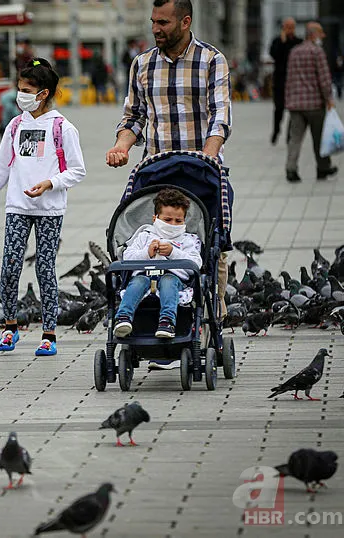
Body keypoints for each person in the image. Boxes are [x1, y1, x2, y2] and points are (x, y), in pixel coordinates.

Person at [105, 0, 232, 326]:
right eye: (153, 22)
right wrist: (121, 147)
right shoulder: (142, 64)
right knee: (147, 242)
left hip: (202, 170)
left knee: (210, 243)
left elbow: (220, 118)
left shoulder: (211, 61)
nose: (155, 29)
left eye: (163, 22)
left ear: (185, 21)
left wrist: (208, 156)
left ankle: (210, 318)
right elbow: (133, 118)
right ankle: (147, 315)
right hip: (158, 173)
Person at [0, 58, 87, 357]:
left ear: (43, 93)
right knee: (9, 267)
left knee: (46, 269)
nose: (20, 95)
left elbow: (77, 170)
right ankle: (10, 327)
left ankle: (49, 333)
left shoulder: (62, 127)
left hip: (49, 209)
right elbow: (1, 169)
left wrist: (50, 183)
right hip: (17, 207)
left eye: (26, 90)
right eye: (19, 89)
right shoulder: (15, 125)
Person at [113, 188, 202, 345]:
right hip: (144, 275)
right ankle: (123, 317)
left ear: (184, 221)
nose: (173, 225)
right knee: (137, 282)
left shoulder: (187, 240)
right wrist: (146, 253)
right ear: (155, 218)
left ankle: (167, 321)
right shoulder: (144, 236)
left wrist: (173, 252)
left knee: (168, 281)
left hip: (174, 278)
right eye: (167, 220)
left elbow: (196, 264)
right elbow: (127, 258)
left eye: (178, 221)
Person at [284, 22, 337, 183]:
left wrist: (289, 100)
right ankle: (323, 168)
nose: (323, 36)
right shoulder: (317, 52)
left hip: (296, 104)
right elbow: (324, 79)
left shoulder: (294, 52)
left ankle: (291, 169)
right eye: (321, 33)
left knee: (295, 139)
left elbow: (290, 78)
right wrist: (329, 98)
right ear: (313, 34)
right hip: (315, 104)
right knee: (319, 138)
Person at [269, 17, 302, 145]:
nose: (289, 29)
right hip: (280, 81)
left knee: (293, 111)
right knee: (279, 108)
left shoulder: (298, 42)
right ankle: (276, 131)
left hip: (294, 81)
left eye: (291, 27)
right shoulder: (277, 41)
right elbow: (274, 55)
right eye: (287, 27)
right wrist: (282, 42)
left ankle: (290, 135)